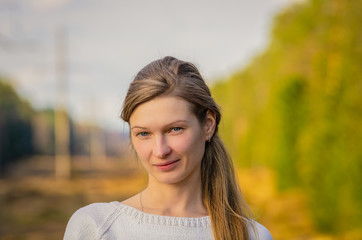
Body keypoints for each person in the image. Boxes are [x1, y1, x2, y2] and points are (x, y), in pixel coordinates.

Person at [63, 56, 273, 240]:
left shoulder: (252, 236)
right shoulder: (96, 228)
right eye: (143, 133)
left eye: (175, 129)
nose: (160, 150)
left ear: (208, 125)